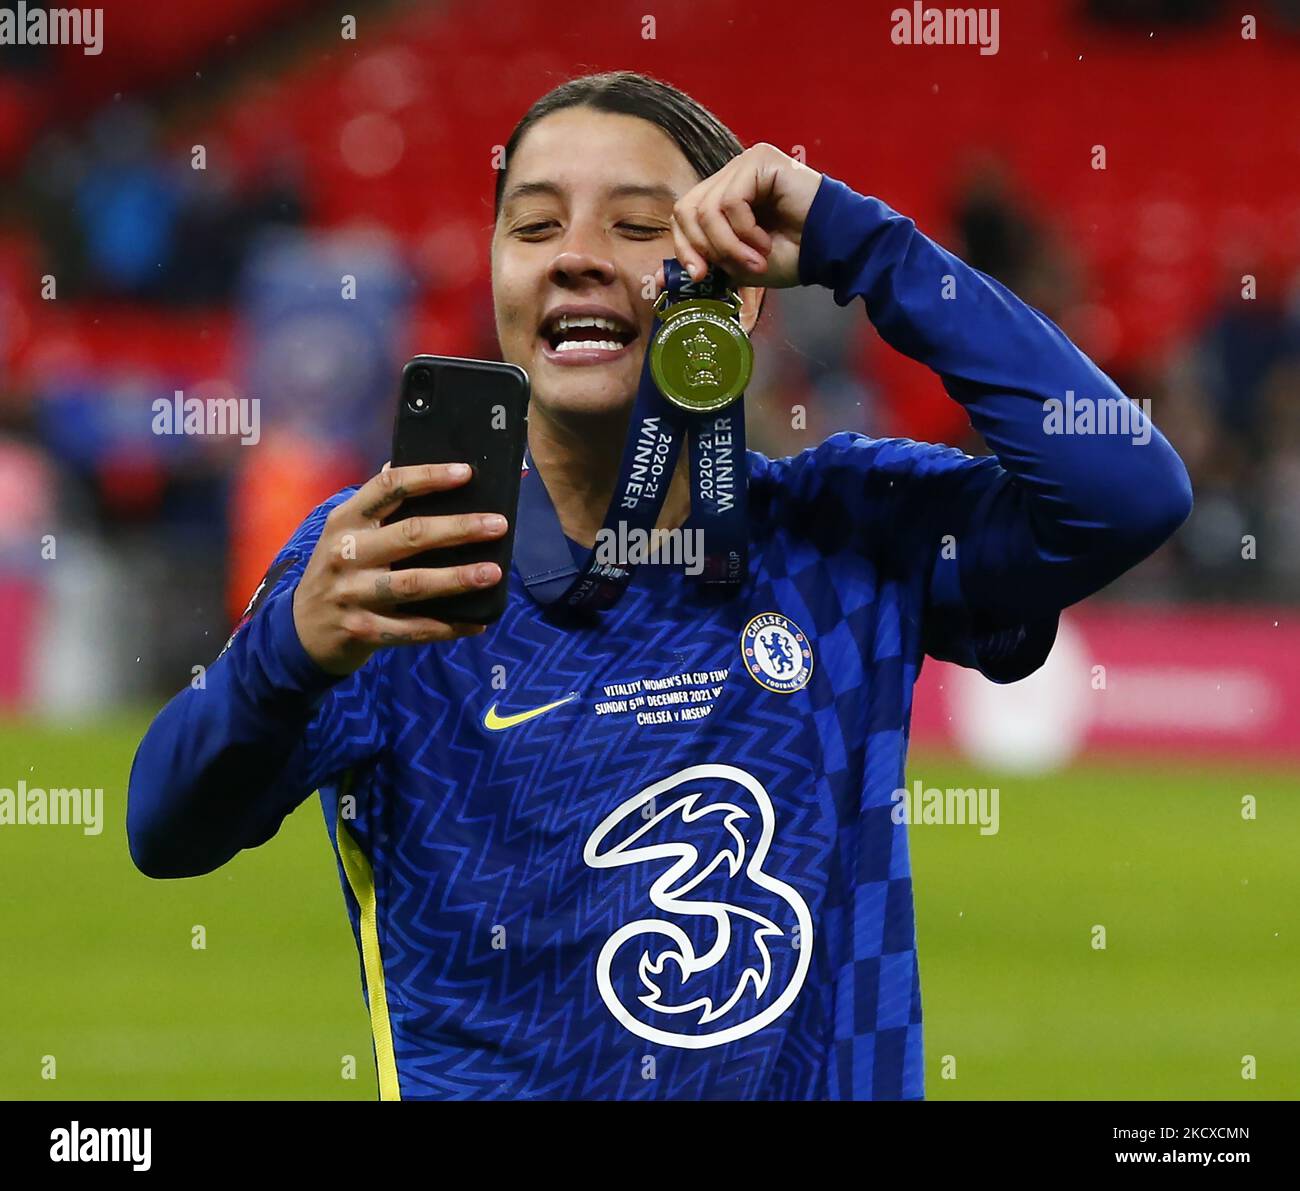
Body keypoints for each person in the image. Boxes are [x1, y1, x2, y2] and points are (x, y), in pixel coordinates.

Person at [127, 70, 1192, 1100]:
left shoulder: (847, 534)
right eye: (534, 227)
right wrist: (284, 658)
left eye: (640, 228)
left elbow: (1126, 493)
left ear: (731, 300)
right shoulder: (396, 562)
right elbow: (163, 830)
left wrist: (866, 248)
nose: (577, 258)